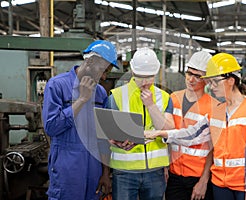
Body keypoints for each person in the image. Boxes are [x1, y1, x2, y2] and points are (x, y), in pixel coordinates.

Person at [145, 53, 246, 200]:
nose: (211, 87)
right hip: (221, 185)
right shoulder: (217, 110)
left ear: (230, 80)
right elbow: (192, 135)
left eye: (215, 82)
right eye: (210, 82)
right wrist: (161, 134)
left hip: (245, 187)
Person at [42, 40, 118, 200]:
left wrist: (105, 173)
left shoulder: (101, 93)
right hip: (67, 168)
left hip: (94, 169)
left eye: (107, 72)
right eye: (103, 70)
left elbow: (103, 137)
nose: (104, 76)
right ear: (89, 61)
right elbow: (51, 127)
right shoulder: (57, 86)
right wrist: (82, 99)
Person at [106, 47, 175, 200]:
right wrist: (115, 141)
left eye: (149, 77)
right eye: (140, 77)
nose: (144, 82)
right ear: (132, 71)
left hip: (155, 171)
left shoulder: (164, 97)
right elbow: (108, 133)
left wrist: (151, 105)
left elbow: (169, 131)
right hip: (124, 171)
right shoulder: (116, 96)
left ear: (155, 73)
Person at [165, 51, 214, 200]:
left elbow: (213, 148)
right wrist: (165, 166)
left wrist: (204, 181)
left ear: (207, 79)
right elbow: (168, 134)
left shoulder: (213, 106)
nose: (191, 79)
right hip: (174, 177)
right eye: (189, 73)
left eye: (197, 76)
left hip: (198, 178)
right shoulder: (174, 98)